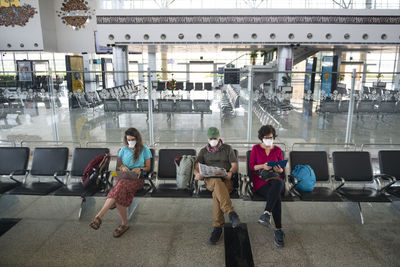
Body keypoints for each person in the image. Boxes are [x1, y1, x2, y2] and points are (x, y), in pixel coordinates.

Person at [90, 128, 152, 238]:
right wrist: (122, 167)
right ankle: (124, 224)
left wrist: (140, 168)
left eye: (132, 139)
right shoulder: (123, 150)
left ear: (137, 139)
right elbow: (118, 167)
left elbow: (148, 167)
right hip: (123, 178)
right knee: (120, 188)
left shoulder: (145, 150)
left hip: (137, 179)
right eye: (128, 139)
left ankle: (99, 216)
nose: (130, 141)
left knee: (120, 187)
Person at [193, 127, 241, 245]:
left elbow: (234, 166)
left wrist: (230, 172)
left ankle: (217, 228)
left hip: (226, 180)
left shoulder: (227, 149)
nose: (213, 140)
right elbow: (196, 167)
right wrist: (197, 174)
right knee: (216, 182)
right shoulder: (203, 151)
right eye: (211, 138)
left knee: (217, 194)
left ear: (219, 137)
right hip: (210, 180)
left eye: (215, 138)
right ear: (208, 139)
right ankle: (230, 212)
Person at [249, 125, 286, 247]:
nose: (268, 139)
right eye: (266, 137)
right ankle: (278, 230)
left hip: (275, 179)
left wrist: (279, 170)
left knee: (278, 182)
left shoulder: (278, 150)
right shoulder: (256, 149)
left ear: (273, 137)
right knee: (276, 197)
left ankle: (266, 214)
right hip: (261, 181)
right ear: (261, 138)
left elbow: (282, 170)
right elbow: (252, 166)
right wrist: (262, 166)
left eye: (270, 137)